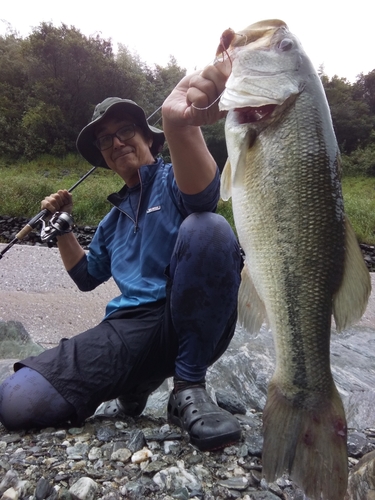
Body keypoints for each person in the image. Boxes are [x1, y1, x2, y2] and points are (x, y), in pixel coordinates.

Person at [0, 64, 243, 452]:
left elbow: (202, 199)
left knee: (210, 227)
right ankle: (137, 381)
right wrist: (62, 228)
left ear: (151, 139)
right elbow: (85, 276)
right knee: (16, 400)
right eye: (105, 140)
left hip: (193, 318)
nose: (116, 143)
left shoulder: (173, 178)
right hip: (129, 328)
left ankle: (188, 388)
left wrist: (178, 124)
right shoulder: (111, 222)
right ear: (104, 157)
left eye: (126, 130)